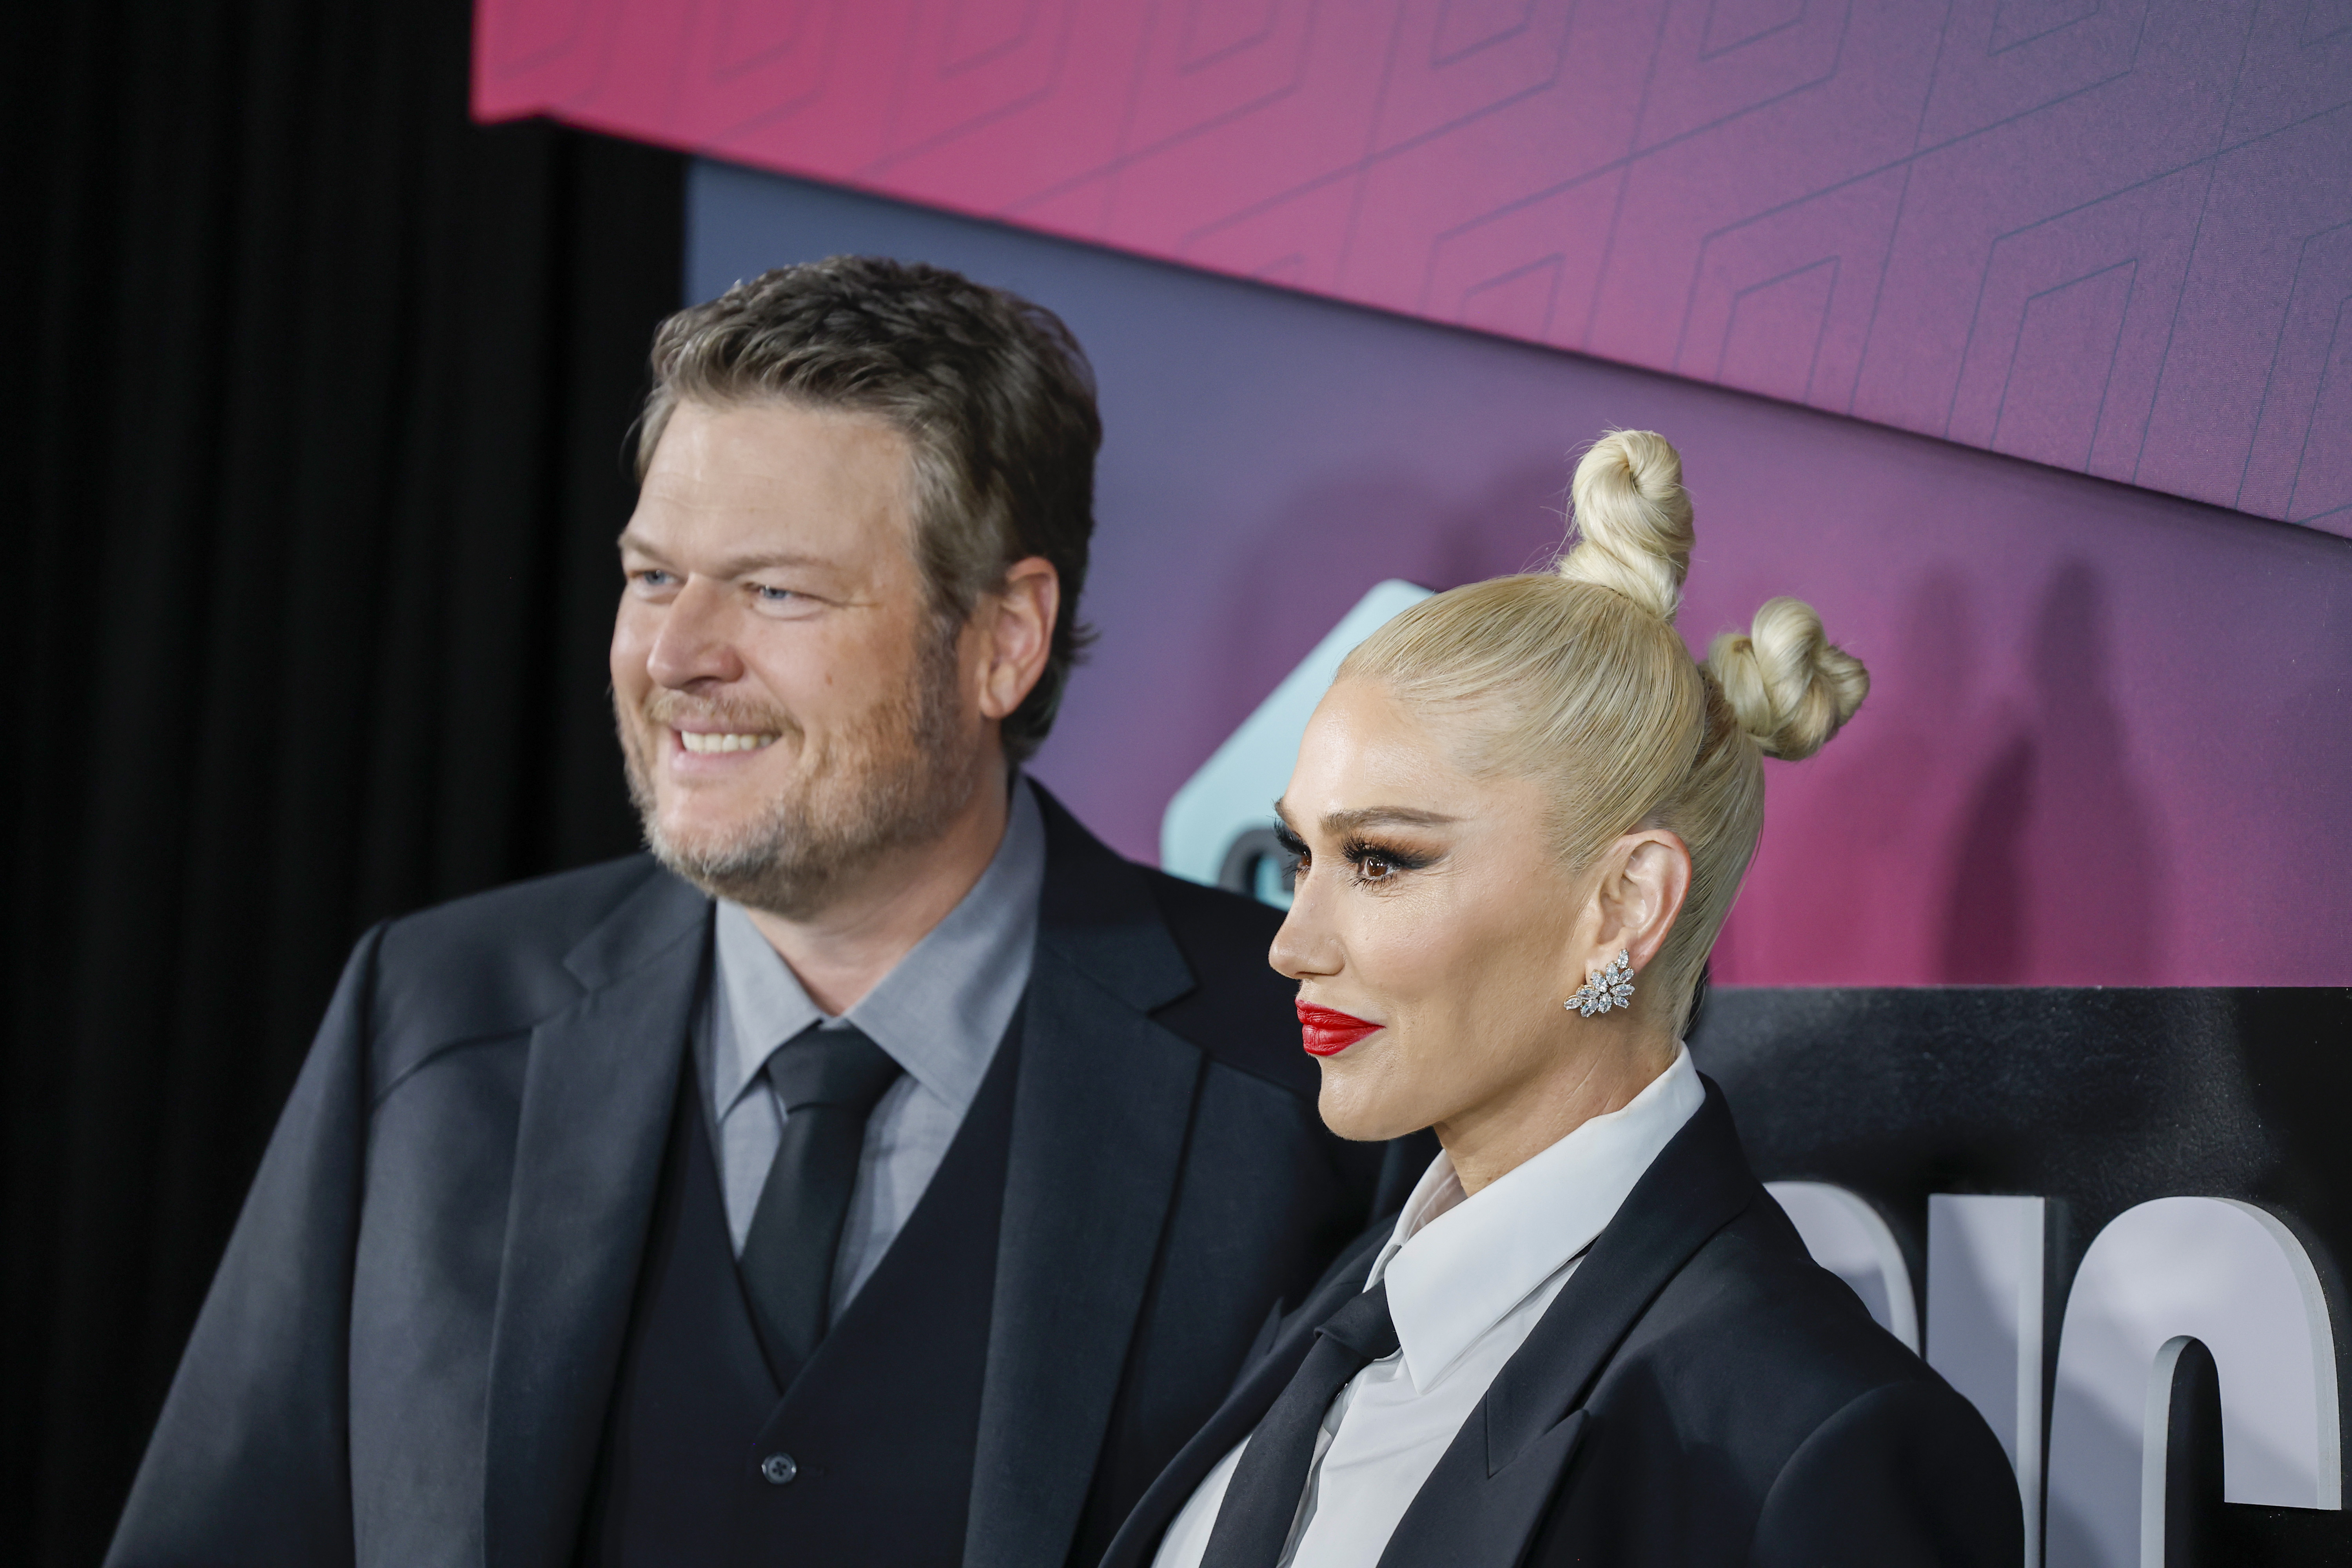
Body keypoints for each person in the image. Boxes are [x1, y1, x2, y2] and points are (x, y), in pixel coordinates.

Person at [106, 258, 1424, 1568]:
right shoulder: (433, 1017)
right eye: (653, 578)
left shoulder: (1297, 1083)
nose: (678, 656)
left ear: (1004, 638)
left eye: (777, 589)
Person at [1103, 431, 2024, 1568]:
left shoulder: (1814, 1443)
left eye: (1383, 860)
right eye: (1303, 856)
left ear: (1625, 904)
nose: (1293, 943)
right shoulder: (1336, 1309)